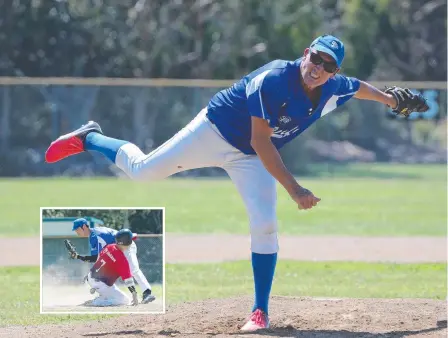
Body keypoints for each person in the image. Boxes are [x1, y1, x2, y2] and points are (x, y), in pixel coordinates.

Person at [46, 34, 428, 331]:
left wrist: (391, 101)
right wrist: (294, 189)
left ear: (332, 71)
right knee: (144, 171)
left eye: (328, 65)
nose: (319, 67)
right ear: (306, 52)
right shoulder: (274, 79)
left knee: (265, 224)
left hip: (250, 157)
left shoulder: (332, 86)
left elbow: (358, 86)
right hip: (215, 131)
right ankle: (90, 137)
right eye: (316, 57)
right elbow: (261, 141)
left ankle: (260, 311)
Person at [70, 217, 156, 304]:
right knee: (117, 270)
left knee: (133, 269)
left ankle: (147, 293)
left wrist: (79, 257)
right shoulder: (93, 235)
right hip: (119, 247)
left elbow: (96, 258)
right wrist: (79, 258)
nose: (76, 232)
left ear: (84, 226)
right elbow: (99, 258)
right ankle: (105, 294)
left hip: (126, 244)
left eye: (77, 229)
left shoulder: (96, 236)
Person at [83, 229, 140, 307]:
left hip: (91, 276)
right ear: (127, 243)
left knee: (112, 290)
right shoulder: (121, 259)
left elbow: (98, 260)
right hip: (101, 284)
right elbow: (128, 280)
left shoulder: (109, 246)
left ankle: (102, 295)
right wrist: (134, 295)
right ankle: (97, 302)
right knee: (124, 300)